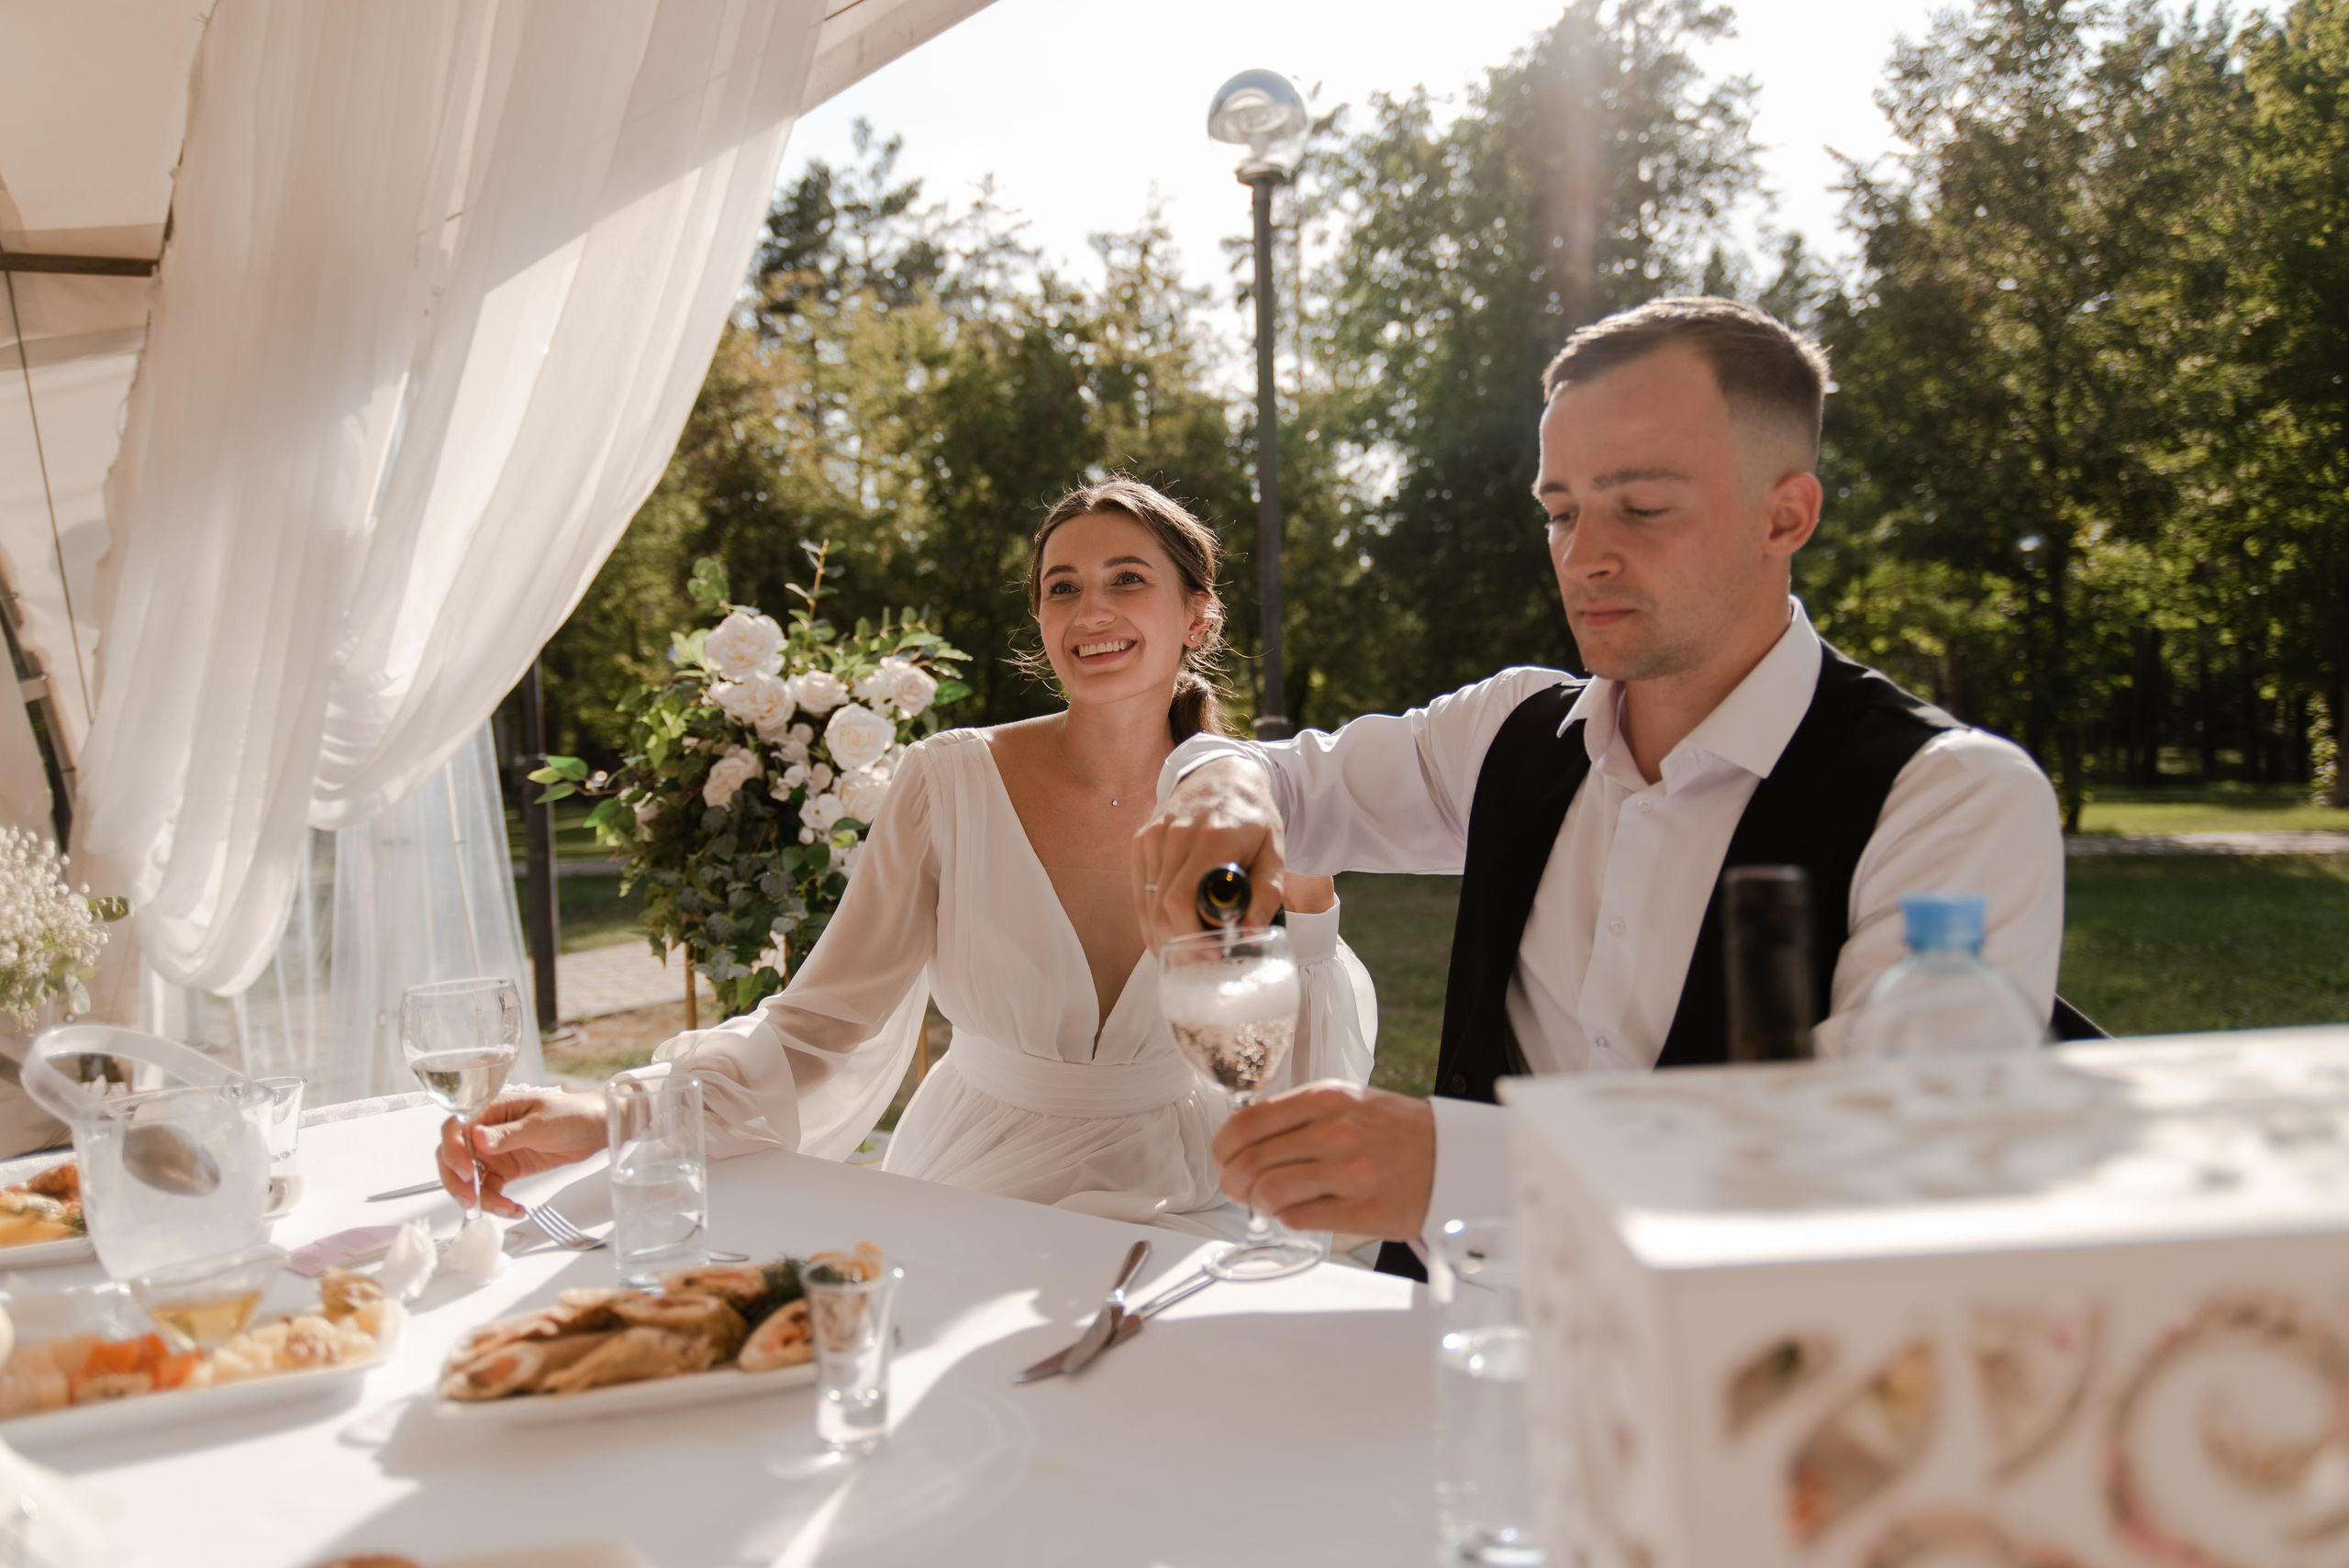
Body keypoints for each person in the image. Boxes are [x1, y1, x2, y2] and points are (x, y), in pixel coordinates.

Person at [1131, 296, 2064, 1269]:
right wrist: (1219, 791)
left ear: (1786, 513)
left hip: (1738, 1382)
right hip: (1447, 1345)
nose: (1583, 556)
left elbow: (1894, 1164)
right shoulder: (1511, 732)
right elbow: (1269, 775)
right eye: (1561, 512)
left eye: (1642, 507)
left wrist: (1456, 1168)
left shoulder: (1948, 798)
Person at [439, 478, 1377, 1239]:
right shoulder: (949, 782)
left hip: (1186, 1196)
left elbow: (1293, 1051)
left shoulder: (1252, 797)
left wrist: (1308, 891)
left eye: (1127, 578)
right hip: (979, 1183)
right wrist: (616, 1111)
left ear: (1198, 617)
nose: (1090, 607)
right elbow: (822, 1023)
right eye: (1062, 585)